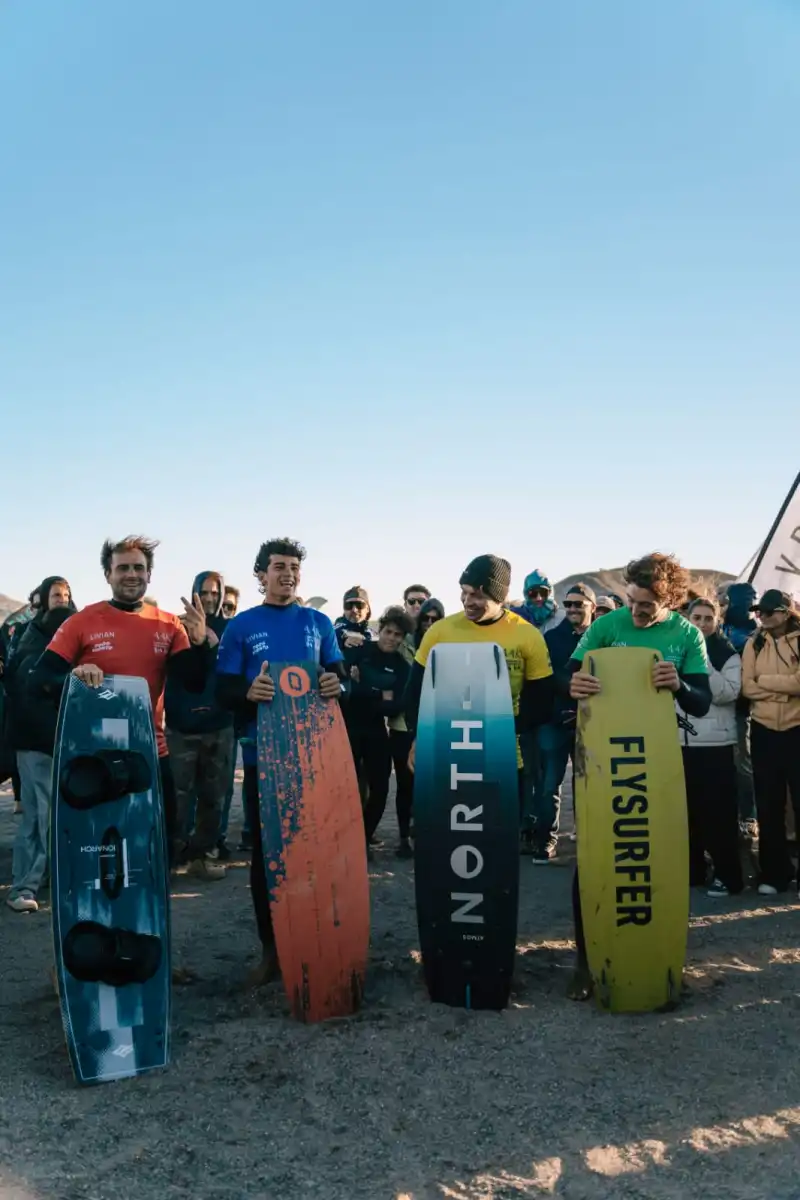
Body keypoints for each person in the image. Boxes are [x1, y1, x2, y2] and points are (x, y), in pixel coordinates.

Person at [564, 553, 711, 1001]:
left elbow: (701, 702)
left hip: (656, 756)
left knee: (655, 854)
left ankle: (656, 957)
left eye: (647, 605)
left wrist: (679, 684)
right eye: (632, 601)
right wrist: (574, 685)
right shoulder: (608, 627)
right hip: (603, 754)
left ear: (668, 599)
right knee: (593, 853)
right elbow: (569, 677)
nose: (637, 612)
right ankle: (586, 963)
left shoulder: (685, 634)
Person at [29, 537, 212, 871]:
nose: (131, 574)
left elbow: (194, 683)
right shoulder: (82, 621)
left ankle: (146, 922)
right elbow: (38, 680)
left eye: (139, 568)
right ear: (107, 574)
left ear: (149, 575)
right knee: (99, 854)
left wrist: (201, 645)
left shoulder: (169, 625)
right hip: (94, 755)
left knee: (158, 853)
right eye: (123, 567)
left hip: (151, 753)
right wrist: (75, 678)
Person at [215, 537, 347, 985]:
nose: (287, 573)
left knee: (317, 846)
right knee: (268, 852)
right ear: (260, 574)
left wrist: (334, 683)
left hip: (316, 752)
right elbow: (224, 689)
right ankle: (271, 950)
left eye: (293, 566)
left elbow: (337, 671)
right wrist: (248, 693)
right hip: (262, 754)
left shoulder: (318, 621)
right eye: (278, 566)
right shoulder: (241, 627)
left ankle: (316, 938)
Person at [405, 556, 555, 795]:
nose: (468, 601)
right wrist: (417, 737)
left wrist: (501, 729)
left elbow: (543, 702)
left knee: (499, 829)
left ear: (500, 598)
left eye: (477, 595)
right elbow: (414, 692)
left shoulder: (527, 636)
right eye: (464, 592)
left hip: (504, 754)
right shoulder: (440, 632)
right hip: (449, 750)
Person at [5, 579, 76, 912]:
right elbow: (27, 681)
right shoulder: (31, 635)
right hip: (35, 739)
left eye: (66, 595)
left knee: (63, 814)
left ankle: (49, 877)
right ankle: (23, 887)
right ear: (43, 600)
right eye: (56, 596)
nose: (62, 600)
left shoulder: (78, 631)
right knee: (37, 815)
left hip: (69, 738)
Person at [165, 571, 235, 880]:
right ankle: (171, 856)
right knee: (178, 798)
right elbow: (178, 673)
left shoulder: (231, 630)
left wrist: (213, 641)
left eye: (214, 593)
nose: (209, 597)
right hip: (183, 726)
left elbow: (232, 672)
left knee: (214, 796)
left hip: (219, 724)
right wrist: (194, 640)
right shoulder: (175, 626)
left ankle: (201, 856)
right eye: (203, 592)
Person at [522, 583, 596, 862]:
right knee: (548, 785)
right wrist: (570, 688)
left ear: (591, 605)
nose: (574, 609)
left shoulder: (601, 637)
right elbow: (547, 676)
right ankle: (546, 840)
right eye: (569, 604)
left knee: (590, 783)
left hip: (592, 721)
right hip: (555, 719)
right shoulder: (552, 638)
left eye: (579, 603)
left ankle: (589, 838)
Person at [683, 598, 744, 897]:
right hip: (680, 742)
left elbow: (727, 693)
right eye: (697, 617)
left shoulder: (725, 653)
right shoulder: (676, 649)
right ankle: (694, 869)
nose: (702, 623)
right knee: (686, 813)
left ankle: (728, 875)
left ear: (717, 620)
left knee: (718, 815)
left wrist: (702, 661)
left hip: (715, 743)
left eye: (709, 618)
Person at [741, 589, 800, 895]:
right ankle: (774, 874)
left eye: (768, 611)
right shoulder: (756, 642)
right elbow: (748, 688)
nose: (761, 616)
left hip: (796, 729)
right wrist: (785, 689)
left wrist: (767, 683)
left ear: (786, 613)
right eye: (759, 612)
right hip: (764, 731)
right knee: (768, 805)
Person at [347, 606, 414, 856]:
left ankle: (363, 839)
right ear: (380, 630)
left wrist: (362, 688)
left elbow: (397, 706)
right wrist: (378, 694)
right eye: (388, 632)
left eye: (398, 635)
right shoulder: (361, 651)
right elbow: (346, 692)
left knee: (381, 789)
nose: (392, 638)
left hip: (376, 733)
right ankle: (345, 839)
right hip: (349, 730)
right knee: (348, 788)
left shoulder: (402, 667)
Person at [721, 581, 760, 835]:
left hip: (742, 706)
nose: (748, 605)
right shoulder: (720, 627)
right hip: (717, 703)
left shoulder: (757, 633)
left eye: (751, 600)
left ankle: (748, 816)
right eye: (744, 599)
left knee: (742, 762)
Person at [510, 570, 561, 635]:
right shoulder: (516, 619)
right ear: (526, 595)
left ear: (550, 593)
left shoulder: (561, 619)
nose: (539, 598)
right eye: (533, 594)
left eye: (543, 592)